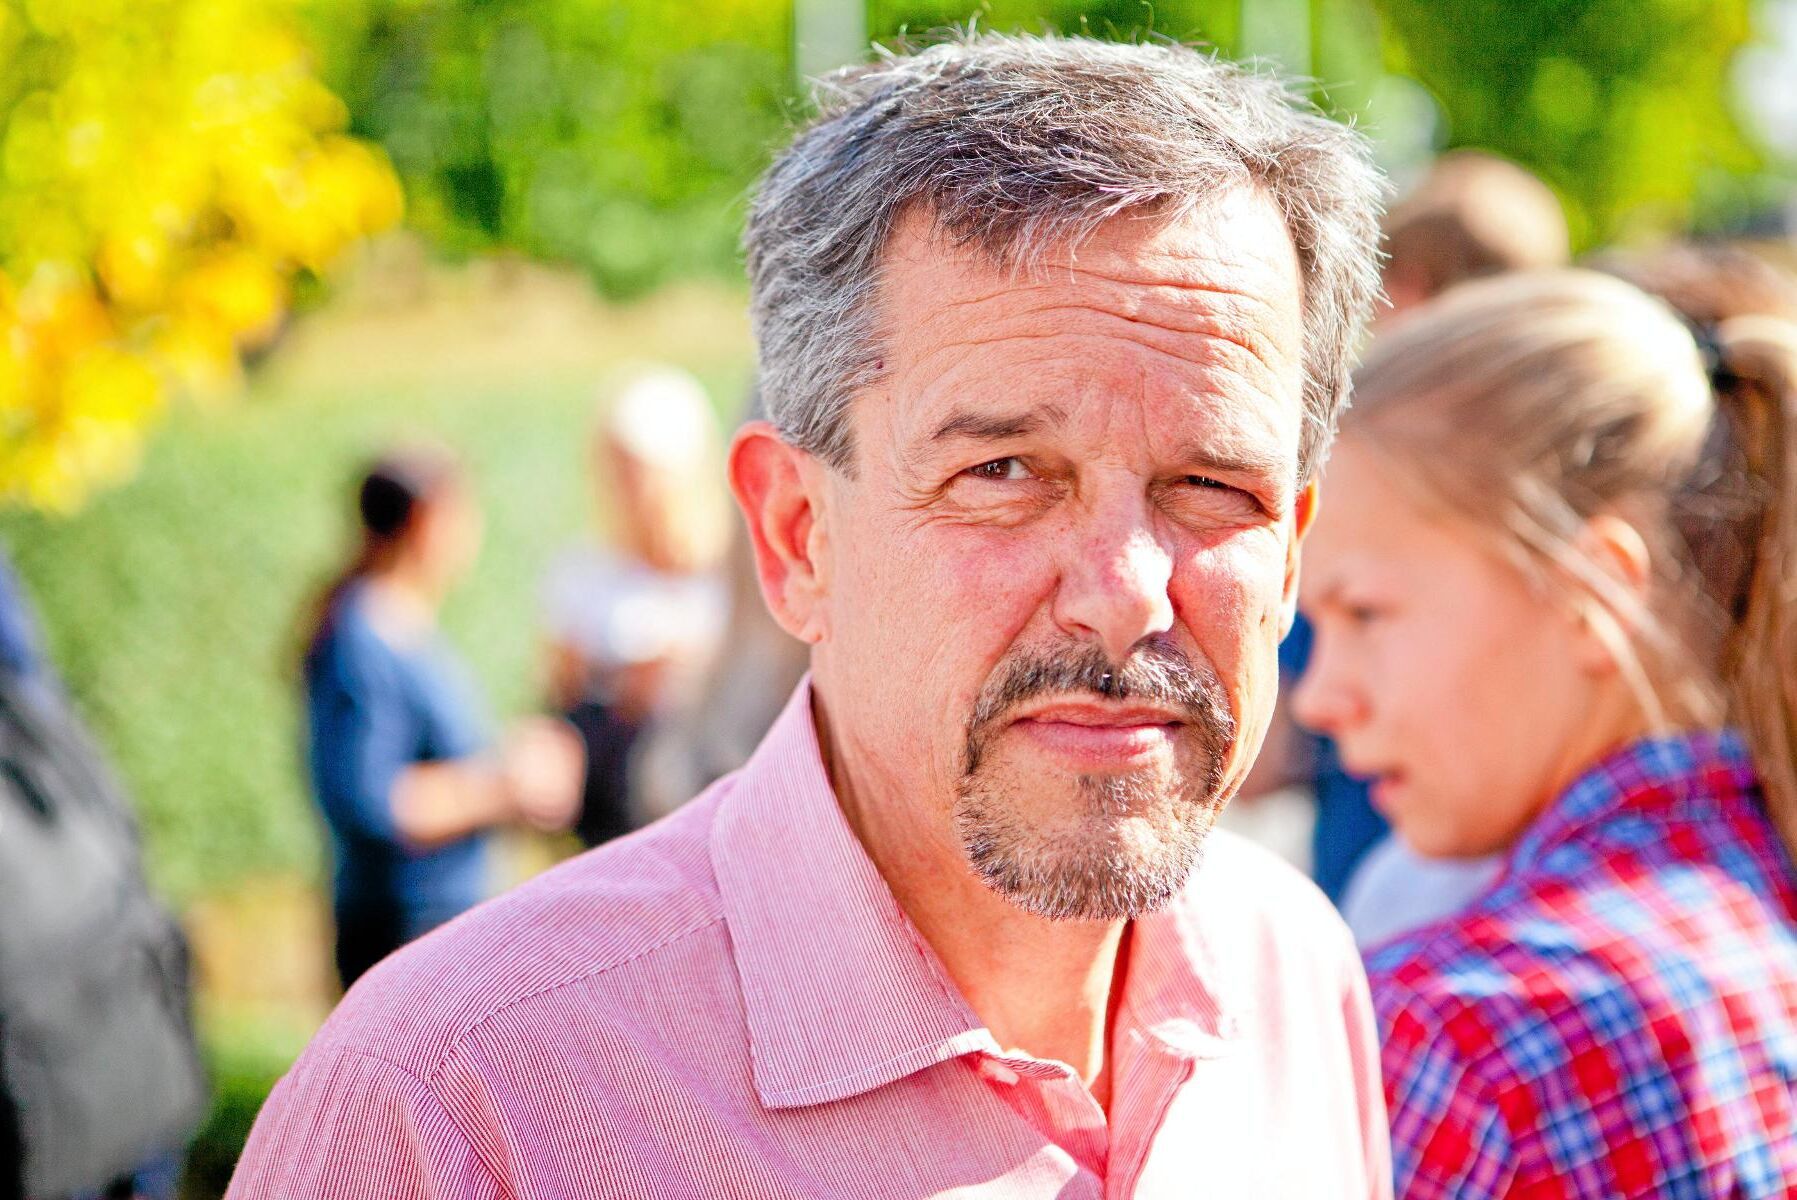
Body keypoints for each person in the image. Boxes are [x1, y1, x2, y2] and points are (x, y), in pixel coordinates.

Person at [229, 34, 1391, 1196]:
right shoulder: (455, 1108)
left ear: (1290, 549)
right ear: (795, 535)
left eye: (1211, 488)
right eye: (1003, 474)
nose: (1126, 589)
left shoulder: (1295, 973)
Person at [1295, 270, 1797, 1197]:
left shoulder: (1460, 1031)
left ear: (1589, 591)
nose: (1318, 698)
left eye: (1363, 612)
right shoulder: (1761, 893)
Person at [1259, 150, 1570, 935]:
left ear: (1409, 292)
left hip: (1389, 916)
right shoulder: (1584, 483)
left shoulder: (1371, 497)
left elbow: (1279, 738)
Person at [300, 447, 582, 987]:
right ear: (429, 520)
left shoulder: (401, 626)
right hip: (399, 924)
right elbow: (369, 800)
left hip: (431, 918)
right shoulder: (362, 640)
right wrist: (505, 788)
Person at [540, 367, 728, 845]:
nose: (625, 488)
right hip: (619, 815)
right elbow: (559, 702)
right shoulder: (581, 576)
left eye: (637, 472)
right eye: (614, 469)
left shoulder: (731, 571)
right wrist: (621, 691)